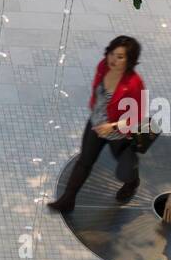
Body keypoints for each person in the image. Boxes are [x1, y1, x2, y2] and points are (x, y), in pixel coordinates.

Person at [47, 35, 146, 213]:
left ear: (130, 60)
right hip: (96, 124)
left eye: (120, 57)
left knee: (123, 164)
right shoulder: (103, 66)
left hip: (118, 132)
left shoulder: (134, 84)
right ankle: (67, 200)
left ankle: (132, 183)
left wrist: (113, 126)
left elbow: (137, 115)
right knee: (84, 161)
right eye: (112, 54)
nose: (113, 60)